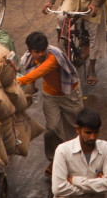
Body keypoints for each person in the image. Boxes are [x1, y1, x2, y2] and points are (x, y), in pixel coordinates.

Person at [19, 31, 83, 176]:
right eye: (37, 52)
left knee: (73, 130)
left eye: (43, 50)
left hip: (70, 95)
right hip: (50, 96)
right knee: (52, 129)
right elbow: (32, 72)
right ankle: (54, 160)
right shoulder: (29, 58)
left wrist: (18, 81)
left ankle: (73, 162)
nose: (41, 54)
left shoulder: (54, 57)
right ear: (30, 51)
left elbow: (37, 73)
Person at [50, 108, 107, 198]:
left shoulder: (106, 149)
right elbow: (58, 188)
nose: (92, 137)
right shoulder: (63, 151)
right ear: (77, 129)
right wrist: (96, 184)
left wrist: (75, 181)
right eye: (88, 132)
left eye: (96, 132)